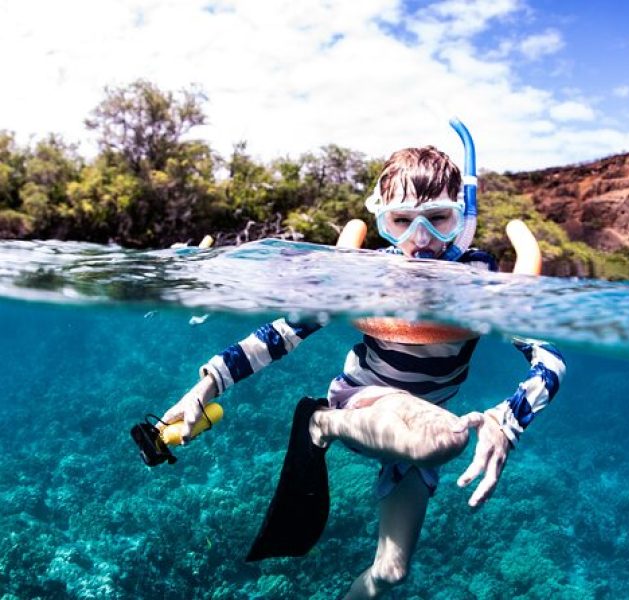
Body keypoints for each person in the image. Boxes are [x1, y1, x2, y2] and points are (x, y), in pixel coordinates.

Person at [159, 144, 566, 599]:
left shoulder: (480, 280)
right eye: (401, 221)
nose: (422, 239)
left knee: (392, 573)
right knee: (444, 439)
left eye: (438, 219)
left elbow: (550, 359)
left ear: (461, 217)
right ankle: (320, 422)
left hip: (427, 419)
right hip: (365, 400)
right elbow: (282, 334)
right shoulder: (369, 273)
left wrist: (507, 421)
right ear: (381, 223)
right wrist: (207, 383)